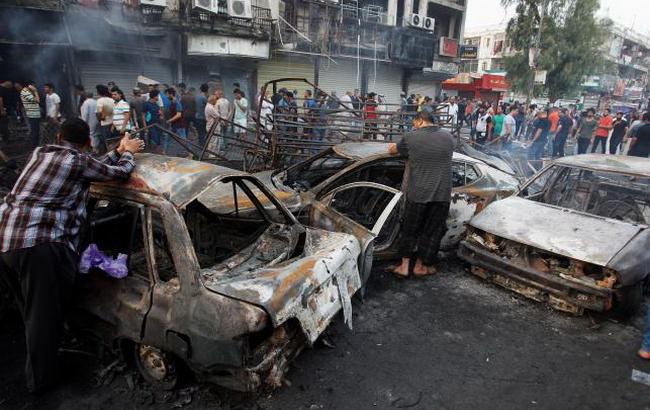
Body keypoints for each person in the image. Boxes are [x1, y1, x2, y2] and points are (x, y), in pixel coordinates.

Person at [0, 118, 144, 393]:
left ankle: (42, 355)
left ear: (57, 136)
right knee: (44, 318)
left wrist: (117, 150)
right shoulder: (78, 163)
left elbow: (91, 166)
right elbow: (120, 173)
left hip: (7, 240)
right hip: (38, 245)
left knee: (31, 310)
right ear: (88, 141)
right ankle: (42, 383)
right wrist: (128, 152)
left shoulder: (40, 154)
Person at [387, 111, 454, 277]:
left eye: (413, 122)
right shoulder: (448, 137)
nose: (413, 125)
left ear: (419, 121)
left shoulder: (411, 137)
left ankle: (403, 267)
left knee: (410, 230)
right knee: (431, 232)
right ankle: (420, 267)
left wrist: (395, 147)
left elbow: (392, 150)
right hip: (441, 194)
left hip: (418, 193)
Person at [17, 81, 42, 148]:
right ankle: (34, 147)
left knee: (36, 131)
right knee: (34, 132)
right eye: (34, 86)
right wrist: (36, 91)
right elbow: (37, 100)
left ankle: (36, 146)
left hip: (35, 114)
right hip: (32, 114)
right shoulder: (25, 92)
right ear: (30, 86)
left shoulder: (28, 92)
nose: (34, 87)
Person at [95, 84, 114, 154]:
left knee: (106, 143)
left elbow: (99, 114)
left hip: (105, 125)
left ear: (98, 92)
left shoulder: (100, 101)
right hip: (113, 124)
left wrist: (100, 119)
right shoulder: (112, 100)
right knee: (112, 143)